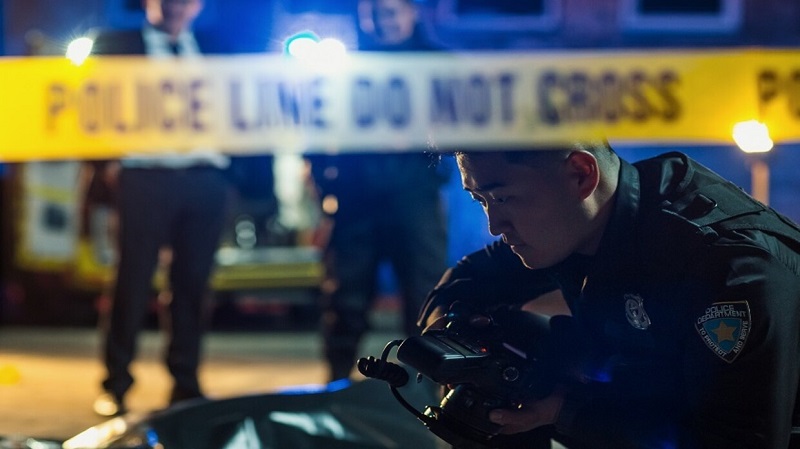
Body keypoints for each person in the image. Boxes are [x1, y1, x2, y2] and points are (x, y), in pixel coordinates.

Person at [417, 142, 800, 448]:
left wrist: (565, 411)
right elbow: (467, 280)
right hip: (658, 406)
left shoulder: (724, 271)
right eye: (480, 200)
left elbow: (734, 440)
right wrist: (454, 336)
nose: (495, 225)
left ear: (581, 174)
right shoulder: (578, 219)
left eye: (502, 199)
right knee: (503, 350)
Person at [90, 0, 231, 417]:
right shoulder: (116, 45)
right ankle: (116, 383)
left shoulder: (217, 49)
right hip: (144, 176)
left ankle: (185, 384)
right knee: (131, 281)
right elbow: (91, 105)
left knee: (193, 283)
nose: (175, 7)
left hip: (204, 177)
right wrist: (106, 164)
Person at [310, 0, 449, 382]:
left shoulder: (439, 65)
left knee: (424, 298)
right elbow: (317, 127)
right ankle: (337, 385)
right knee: (346, 299)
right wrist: (327, 185)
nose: (381, 22)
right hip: (357, 199)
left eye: (389, 12)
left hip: (415, 197)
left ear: (411, 12)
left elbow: (464, 125)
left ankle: (424, 389)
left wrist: (422, 145)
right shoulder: (348, 67)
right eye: (372, 14)